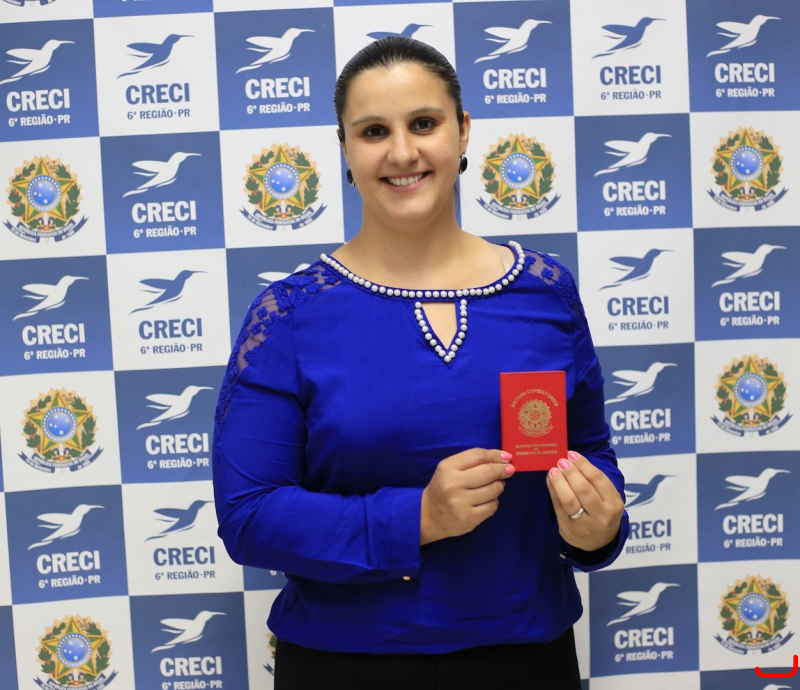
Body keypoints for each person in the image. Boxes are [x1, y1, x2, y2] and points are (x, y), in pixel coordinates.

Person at [213, 36, 628, 690]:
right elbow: (249, 516)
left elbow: (588, 455)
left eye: (425, 123)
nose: (402, 152)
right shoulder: (289, 314)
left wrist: (597, 528)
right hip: (345, 670)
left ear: (463, 132)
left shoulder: (546, 292)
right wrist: (417, 518)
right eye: (374, 131)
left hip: (528, 662)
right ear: (345, 149)